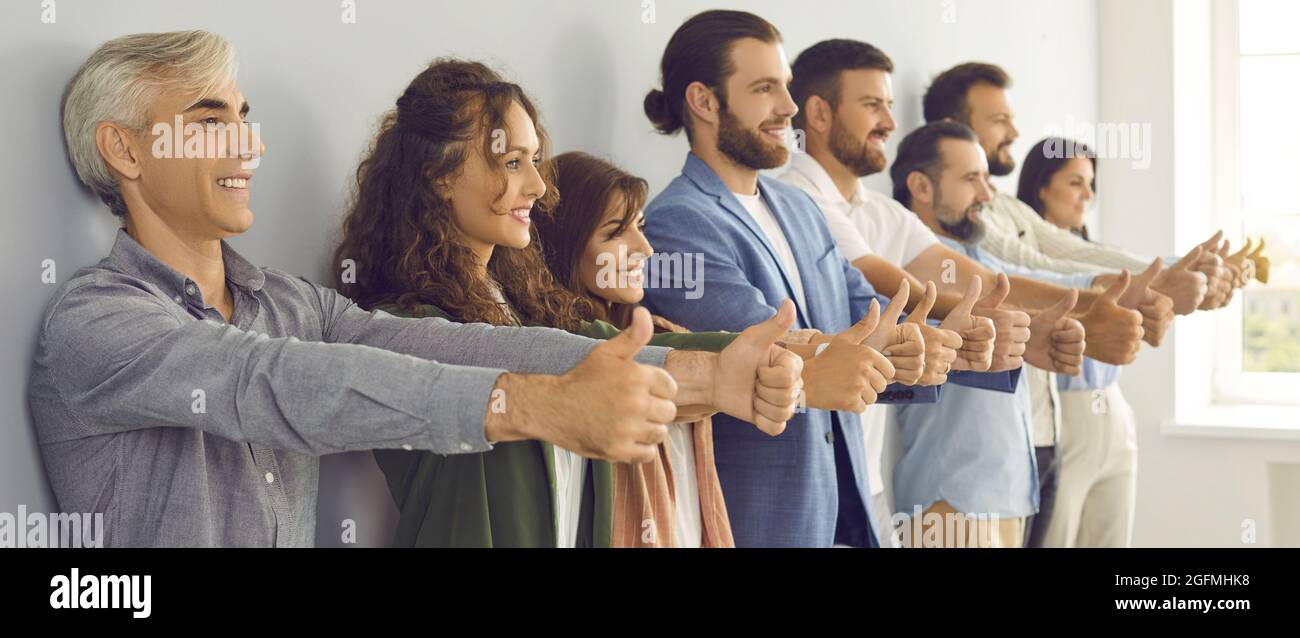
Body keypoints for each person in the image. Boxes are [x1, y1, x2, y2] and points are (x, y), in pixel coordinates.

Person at [31, 30, 802, 547]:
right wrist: (533, 405)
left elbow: (459, 348)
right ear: (124, 151)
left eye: (246, 116)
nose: (250, 143)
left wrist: (710, 373)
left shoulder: (295, 304)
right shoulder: (95, 322)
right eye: (210, 121)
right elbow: (269, 382)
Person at [636, 10, 1035, 548]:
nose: (789, 107)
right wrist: (901, 345)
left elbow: (864, 316)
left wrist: (950, 345)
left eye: (786, 87)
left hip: (847, 513)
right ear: (704, 101)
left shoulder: (797, 207)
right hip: (760, 525)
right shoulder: (676, 223)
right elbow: (772, 354)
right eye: (764, 88)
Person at [535, 151, 905, 546]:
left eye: (639, 226)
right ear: (566, 244)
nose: (644, 247)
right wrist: (813, 366)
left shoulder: (661, 330)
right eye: (614, 232)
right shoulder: (564, 353)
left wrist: (902, 346)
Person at [921, 62, 1233, 313]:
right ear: (953, 128)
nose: (1015, 132)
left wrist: (1175, 266)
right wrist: (1158, 280)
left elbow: (1074, 249)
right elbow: (1035, 266)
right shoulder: (957, 215)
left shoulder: (1005, 204)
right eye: (1000, 120)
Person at [1015, 137, 1143, 547]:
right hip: (1066, 415)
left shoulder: (1100, 258)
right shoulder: (1023, 262)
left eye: (1090, 183)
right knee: (1057, 538)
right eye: (1075, 182)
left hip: (1114, 410)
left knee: (1111, 540)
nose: (1088, 194)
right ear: (1041, 186)